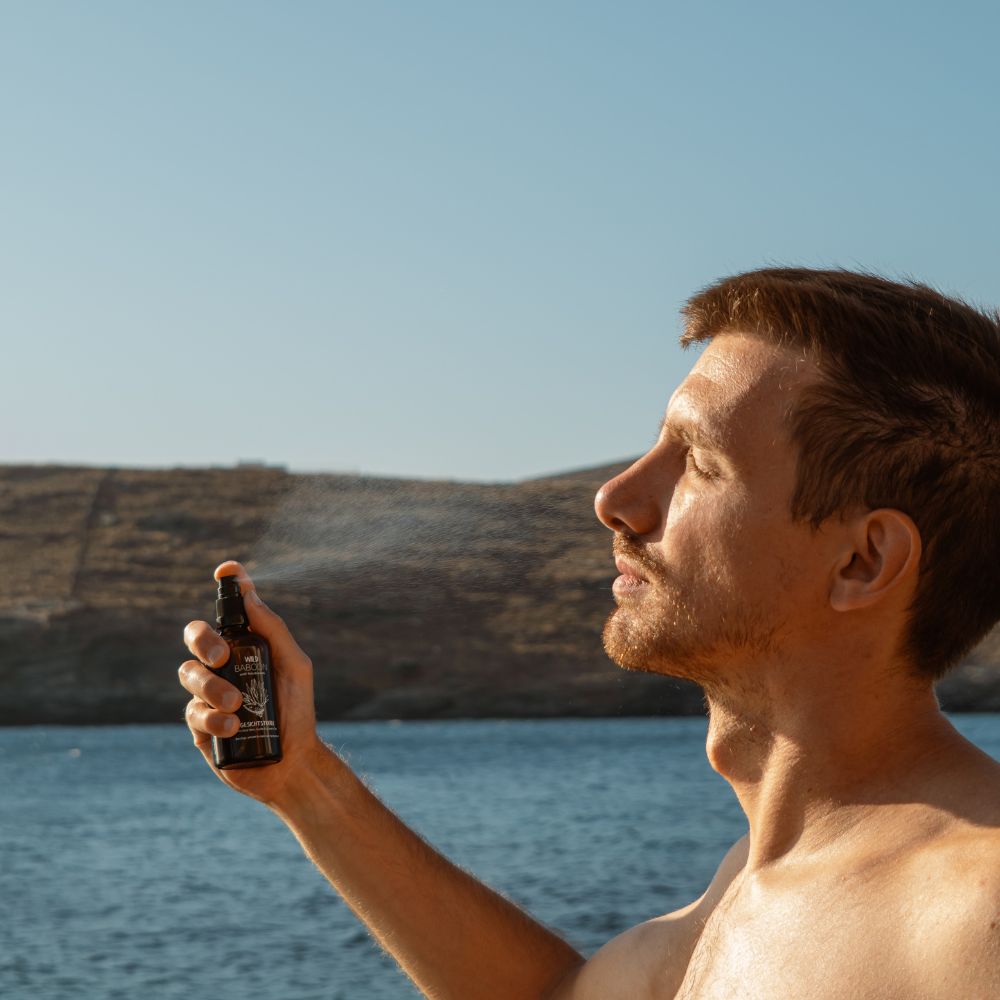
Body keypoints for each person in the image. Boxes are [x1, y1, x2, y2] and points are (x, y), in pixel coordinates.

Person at [179, 267, 1000, 999]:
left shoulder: (977, 912)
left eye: (700, 462)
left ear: (863, 560)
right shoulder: (753, 885)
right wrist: (304, 784)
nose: (614, 496)